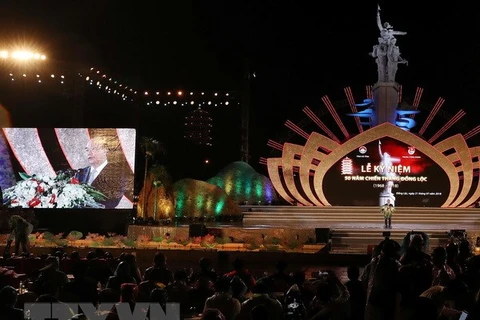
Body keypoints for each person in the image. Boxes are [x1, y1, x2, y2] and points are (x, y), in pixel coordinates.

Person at [75, 136, 131, 209]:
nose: (89, 153)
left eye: (94, 148)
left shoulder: (118, 174)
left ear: (105, 150)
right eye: (87, 150)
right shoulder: (80, 173)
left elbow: (112, 202)